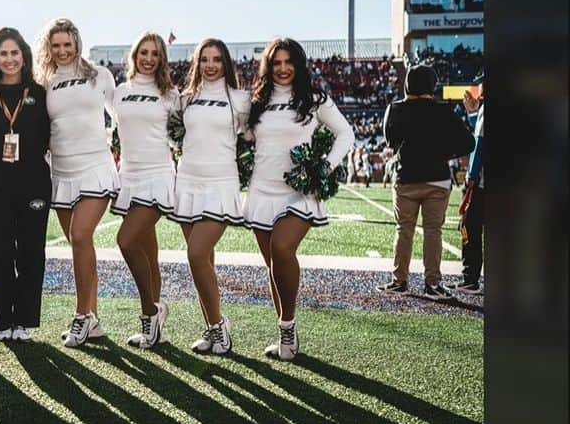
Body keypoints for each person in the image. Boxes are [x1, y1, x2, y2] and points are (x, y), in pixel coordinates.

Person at [243, 38, 354, 361]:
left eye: (288, 62)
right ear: (268, 66)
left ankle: (288, 326)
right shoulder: (257, 102)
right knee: (273, 265)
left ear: (298, 64)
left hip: (300, 191)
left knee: (282, 248)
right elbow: (242, 138)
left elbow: (346, 133)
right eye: (276, 63)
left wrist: (325, 166)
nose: (282, 68)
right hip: (262, 189)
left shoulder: (314, 99)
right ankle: (285, 336)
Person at [35, 18, 118, 348]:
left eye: (67, 44)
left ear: (77, 44)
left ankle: (82, 316)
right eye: (56, 45)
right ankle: (93, 318)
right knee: (79, 244)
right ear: (49, 48)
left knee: (81, 235)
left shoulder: (99, 75)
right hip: (62, 171)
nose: (62, 50)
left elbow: (122, 116)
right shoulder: (46, 81)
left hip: (95, 166)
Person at [169, 38, 250, 355]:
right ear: (197, 63)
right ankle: (212, 327)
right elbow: (170, 134)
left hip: (221, 184)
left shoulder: (240, 99)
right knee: (204, 260)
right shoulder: (186, 99)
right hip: (187, 182)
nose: (211, 65)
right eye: (205, 59)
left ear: (226, 63)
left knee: (196, 254)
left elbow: (254, 137)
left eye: (217, 59)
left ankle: (219, 328)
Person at [0, 28, 51, 342]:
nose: (9, 59)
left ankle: (24, 320)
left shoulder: (40, 94)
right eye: (3, 54)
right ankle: (3, 317)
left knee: (31, 252)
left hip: (34, 182)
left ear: (24, 56)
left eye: (14, 53)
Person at [377, 64, 475, 301]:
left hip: (406, 177)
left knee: (404, 230)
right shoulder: (443, 111)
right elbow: (467, 143)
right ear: (433, 85)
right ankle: (433, 283)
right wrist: (443, 152)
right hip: (437, 178)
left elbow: (390, 140)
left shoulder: (396, 109)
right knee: (433, 231)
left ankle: (399, 280)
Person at [112, 31, 180, 349]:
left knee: (125, 240)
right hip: (129, 176)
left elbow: (183, 134)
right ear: (134, 55)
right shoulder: (119, 91)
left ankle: (148, 314)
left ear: (162, 58)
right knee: (148, 251)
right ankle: (158, 314)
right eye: (144, 52)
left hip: (158, 175)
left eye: (155, 53)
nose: (149, 58)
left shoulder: (169, 94)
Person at [448, 72, 484, 294]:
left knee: (469, 226)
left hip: (483, 184)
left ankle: (470, 278)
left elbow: (480, 144)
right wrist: (473, 113)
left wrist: (471, 178)